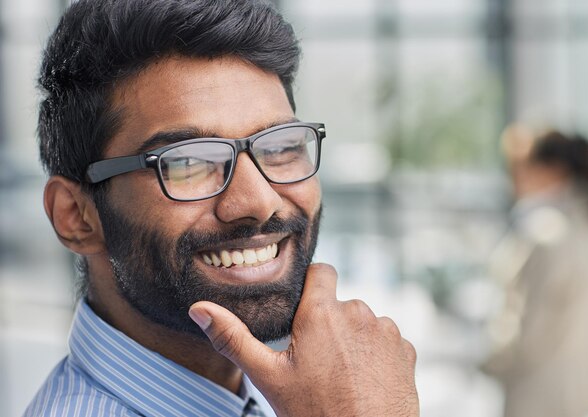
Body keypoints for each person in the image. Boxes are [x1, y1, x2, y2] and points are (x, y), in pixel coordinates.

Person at [24, 0, 419, 416]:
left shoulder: (287, 392)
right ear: (76, 216)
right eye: (188, 161)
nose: (260, 201)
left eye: (281, 147)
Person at [484, 127, 588, 417]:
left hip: (540, 394)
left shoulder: (546, 231)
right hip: (573, 393)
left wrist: (489, 361)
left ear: (552, 169)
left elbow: (529, 327)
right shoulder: (581, 222)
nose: (513, 176)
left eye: (519, 165)